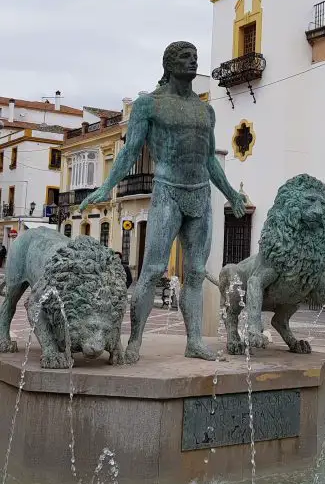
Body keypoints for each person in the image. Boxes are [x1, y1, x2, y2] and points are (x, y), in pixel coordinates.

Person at [80, 41, 246, 362]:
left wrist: (230, 192)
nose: (192, 60)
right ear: (169, 65)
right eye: (185, 56)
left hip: (200, 194)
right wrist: (108, 186)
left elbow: (210, 159)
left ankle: (194, 341)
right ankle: (135, 342)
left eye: (195, 56)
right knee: (153, 269)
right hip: (167, 192)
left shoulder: (205, 110)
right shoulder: (149, 105)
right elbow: (130, 151)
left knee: (196, 273)